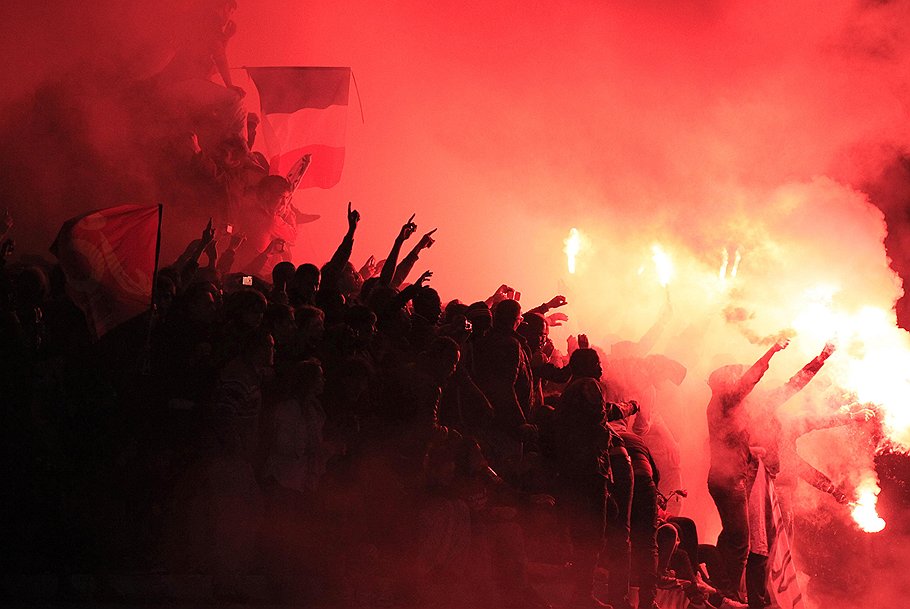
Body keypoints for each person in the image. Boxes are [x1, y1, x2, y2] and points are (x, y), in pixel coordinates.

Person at [705, 338, 789, 605]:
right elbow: (749, 381)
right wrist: (772, 351)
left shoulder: (727, 409)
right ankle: (726, 593)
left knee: (733, 537)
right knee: (741, 543)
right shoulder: (725, 401)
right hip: (729, 481)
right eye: (733, 376)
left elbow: (729, 444)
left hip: (728, 478)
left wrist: (753, 452)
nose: (738, 379)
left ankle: (719, 583)